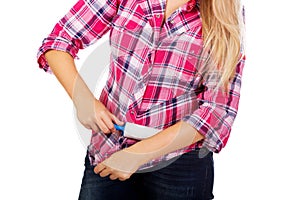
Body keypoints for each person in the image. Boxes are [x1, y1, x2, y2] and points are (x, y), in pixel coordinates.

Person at [37, 0, 246, 199]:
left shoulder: (223, 14)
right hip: (108, 149)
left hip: (179, 167)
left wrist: (137, 155)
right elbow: (59, 42)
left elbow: (217, 111)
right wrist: (83, 100)